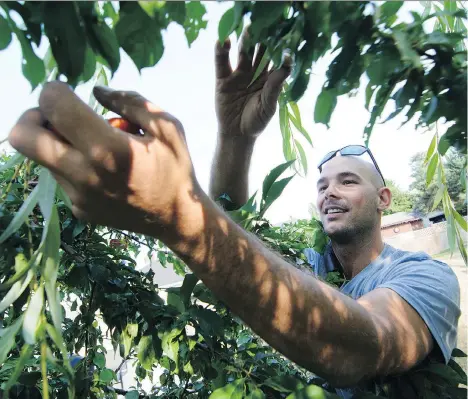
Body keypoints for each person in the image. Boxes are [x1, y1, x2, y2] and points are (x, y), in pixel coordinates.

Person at [7, 35, 460, 397]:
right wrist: (234, 138)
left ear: (384, 198)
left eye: (347, 181)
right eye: (321, 185)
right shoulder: (309, 265)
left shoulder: (426, 278)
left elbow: (363, 345)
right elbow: (237, 239)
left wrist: (178, 212)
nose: (329, 193)